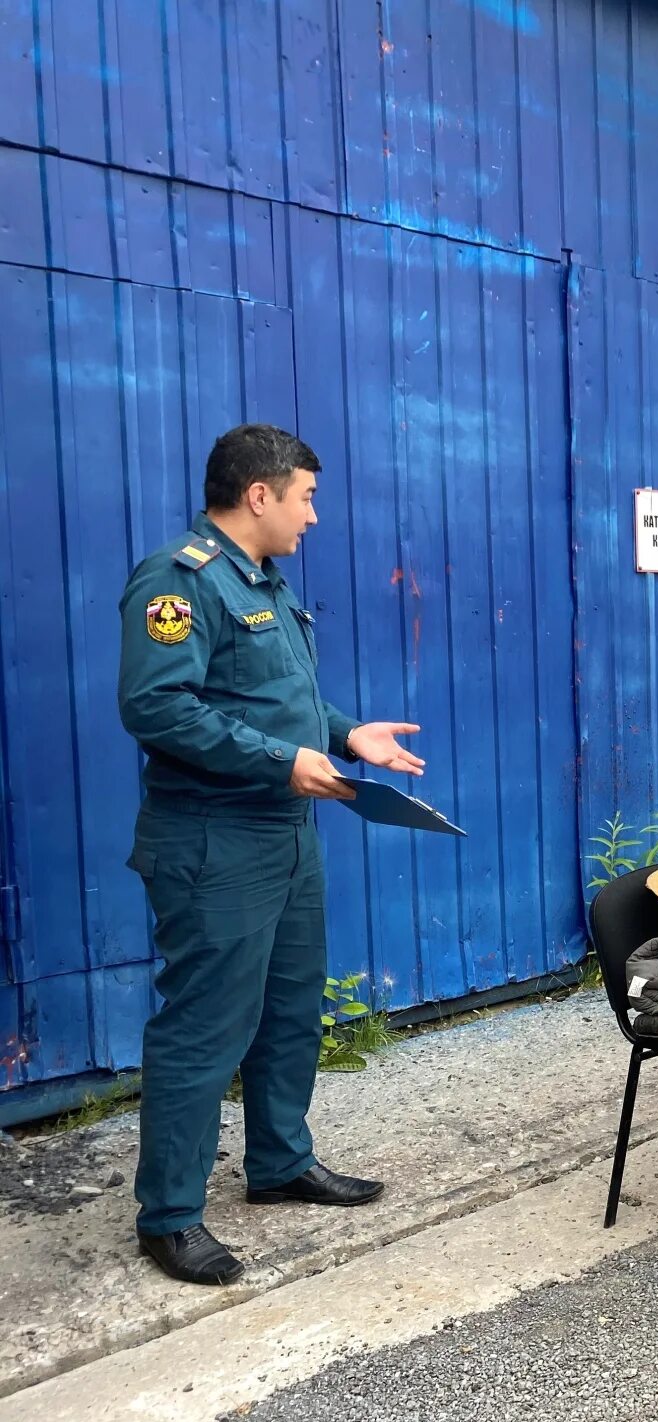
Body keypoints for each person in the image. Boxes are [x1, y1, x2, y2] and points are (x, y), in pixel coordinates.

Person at [117, 424, 425, 1286]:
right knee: (206, 1027)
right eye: (306, 497)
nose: (314, 516)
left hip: (286, 833)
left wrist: (343, 735)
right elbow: (158, 709)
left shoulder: (264, 583)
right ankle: (170, 1216)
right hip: (216, 843)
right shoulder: (180, 582)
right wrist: (281, 762)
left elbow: (276, 704)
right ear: (260, 495)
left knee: (291, 1010)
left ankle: (280, 1161)